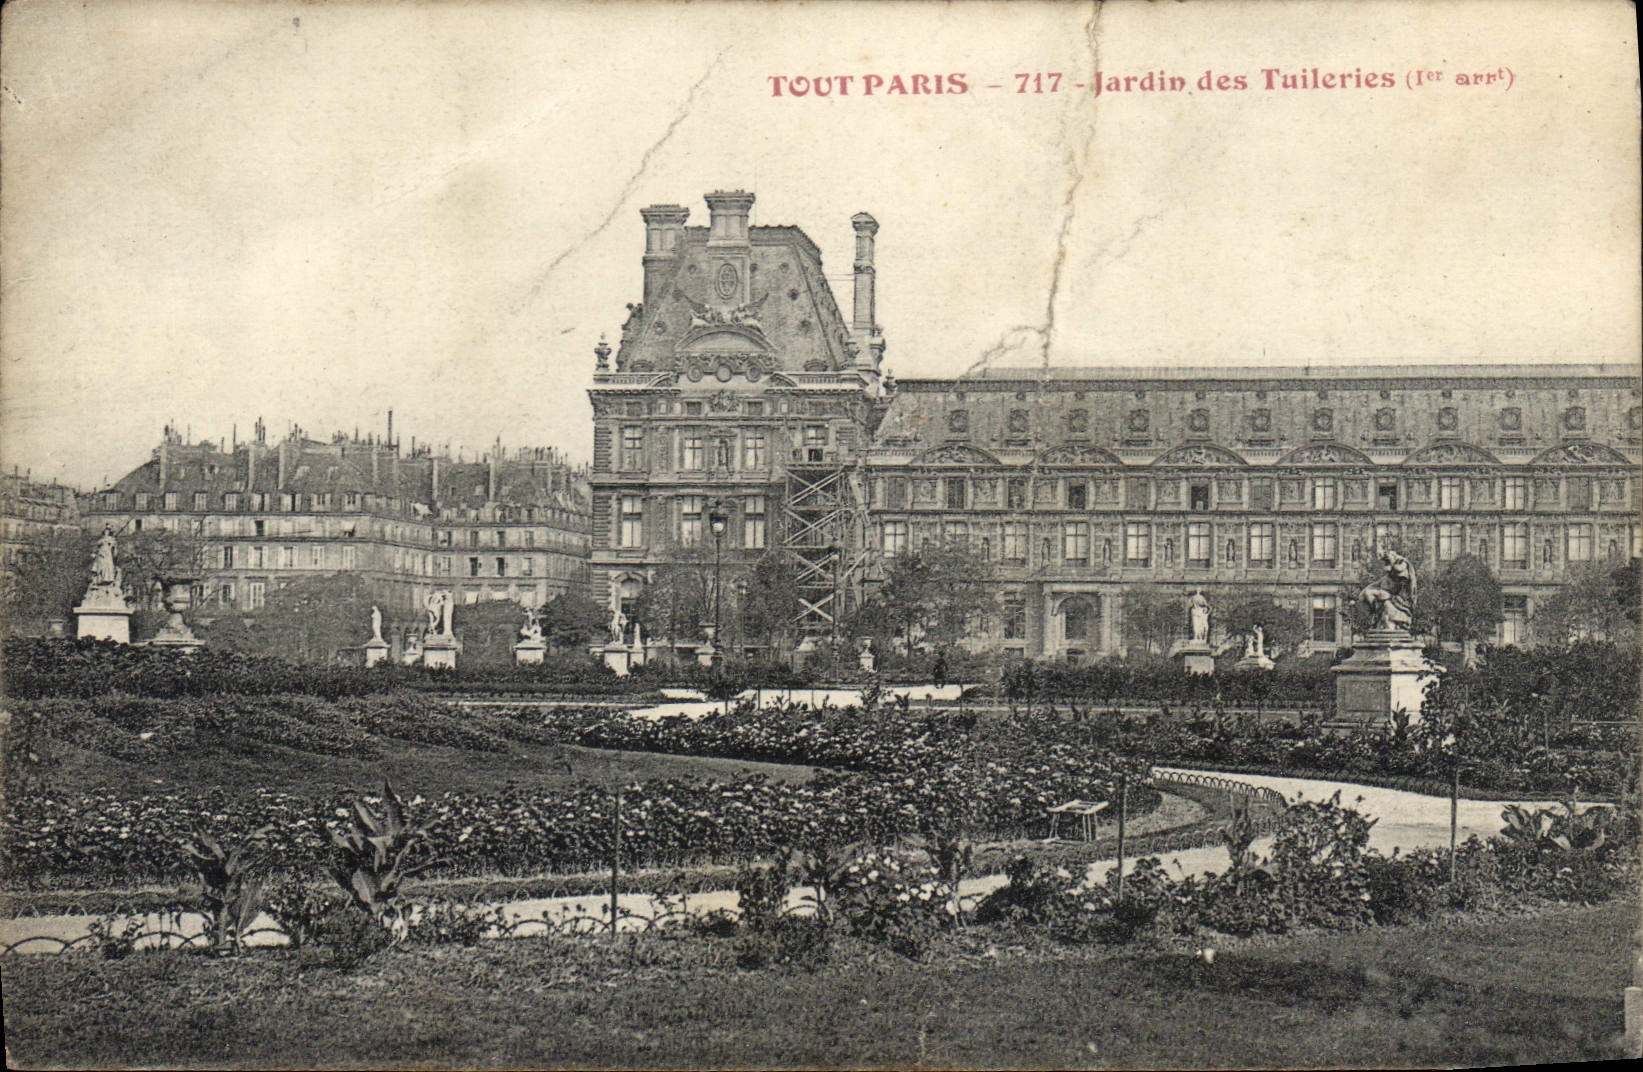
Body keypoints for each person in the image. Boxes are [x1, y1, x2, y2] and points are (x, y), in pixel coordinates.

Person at [1359, 549, 1416, 631]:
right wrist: (1363, 591)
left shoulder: (1403, 570)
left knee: (1372, 594)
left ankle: (1380, 615)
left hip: (1397, 598)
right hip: (1389, 596)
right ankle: (1377, 613)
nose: (1386, 567)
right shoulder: (1387, 578)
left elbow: (1399, 569)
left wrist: (1392, 560)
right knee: (1368, 593)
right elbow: (1375, 584)